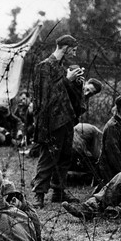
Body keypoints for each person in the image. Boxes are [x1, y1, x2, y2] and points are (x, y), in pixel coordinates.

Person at [31, 35, 84, 208]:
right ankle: (39, 193)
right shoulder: (44, 66)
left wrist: (76, 84)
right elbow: (45, 96)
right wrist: (67, 80)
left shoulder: (62, 68)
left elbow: (65, 95)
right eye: (73, 50)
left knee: (64, 157)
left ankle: (59, 192)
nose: (74, 54)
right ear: (66, 47)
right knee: (48, 157)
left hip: (66, 119)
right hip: (51, 120)